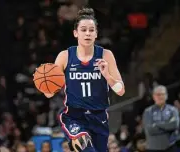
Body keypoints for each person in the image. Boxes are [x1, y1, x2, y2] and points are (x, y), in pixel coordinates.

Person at [43, 7, 125, 152]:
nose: (88, 33)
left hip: (99, 117)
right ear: (76, 33)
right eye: (83, 29)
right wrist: (46, 85)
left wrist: (107, 75)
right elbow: (49, 93)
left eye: (91, 30)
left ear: (96, 33)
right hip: (74, 116)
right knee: (85, 147)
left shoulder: (106, 55)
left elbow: (121, 91)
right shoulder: (65, 56)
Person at [142, 85, 180, 152]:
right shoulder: (148, 112)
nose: (161, 96)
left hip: (170, 147)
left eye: (163, 94)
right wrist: (167, 126)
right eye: (158, 94)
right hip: (153, 148)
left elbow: (174, 125)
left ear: (167, 96)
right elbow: (150, 130)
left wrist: (157, 125)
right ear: (153, 96)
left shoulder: (173, 110)